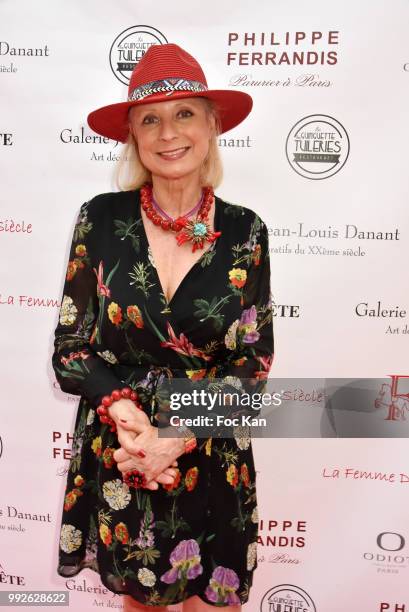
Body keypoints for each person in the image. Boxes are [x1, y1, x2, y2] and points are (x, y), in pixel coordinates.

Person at [52, 43, 274, 611]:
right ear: (133, 134)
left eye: (184, 114)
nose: (168, 132)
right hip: (125, 446)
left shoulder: (246, 230)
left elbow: (253, 362)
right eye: (150, 118)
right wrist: (130, 421)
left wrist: (175, 436)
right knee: (141, 604)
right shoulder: (99, 219)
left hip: (208, 443)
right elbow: (72, 349)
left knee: (212, 606)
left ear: (212, 124)